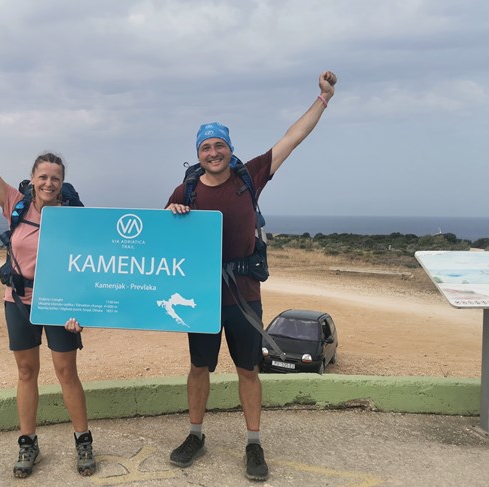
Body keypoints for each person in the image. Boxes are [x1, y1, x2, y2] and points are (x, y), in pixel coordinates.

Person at [165, 71, 338, 481]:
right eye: (206, 147)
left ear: (230, 149)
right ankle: (195, 435)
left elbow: (292, 138)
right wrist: (170, 217)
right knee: (198, 368)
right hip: (201, 299)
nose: (213, 152)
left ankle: (254, 443)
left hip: (244, 295)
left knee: (248, 370)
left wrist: (323, 99)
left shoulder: (250, 177)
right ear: (198, 153)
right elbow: (164, 249)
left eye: (219, 145)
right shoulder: (184, 192)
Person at [0, 97, 96, 479]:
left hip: (59, 303)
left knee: (67, 373)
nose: (49, 183)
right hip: (18, 300)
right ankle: (28, 445)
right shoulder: (14, 203)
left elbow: (90, 266)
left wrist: (84, 309)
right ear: (32, 180)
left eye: (55, 178)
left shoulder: (74, 217)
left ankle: (83, 442)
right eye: (43, 177)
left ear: (63, 184)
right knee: (26, 373)